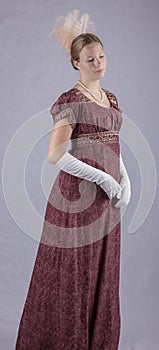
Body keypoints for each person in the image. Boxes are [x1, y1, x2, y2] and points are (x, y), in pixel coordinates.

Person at [15, 9, 131, 350]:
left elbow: (114, 144)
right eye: (90, 59)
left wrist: (123, 179)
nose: (98, 63)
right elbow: (55, 154)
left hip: (107, 204)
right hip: (77, 199)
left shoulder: (111, 100)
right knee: (74, 274)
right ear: (75, 63)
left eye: (101, 56)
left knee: (102, 270)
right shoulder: (70, 101)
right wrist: (103, 179)